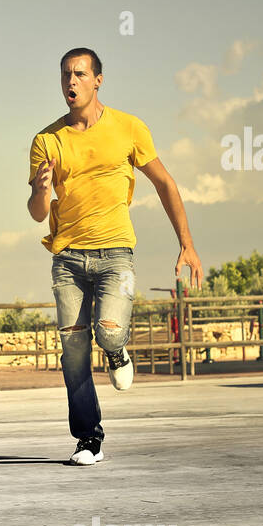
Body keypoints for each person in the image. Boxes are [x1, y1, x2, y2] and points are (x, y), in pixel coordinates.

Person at [28, 47, 203, 465]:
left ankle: (116, 349)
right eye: (66, 75)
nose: (71, 82)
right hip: (67, 257)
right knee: (72, 352)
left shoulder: (129, 128)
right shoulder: (47, 140)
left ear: (98, 80)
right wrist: (40, 188)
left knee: (106, 332)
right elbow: (38, 213)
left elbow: (165, 184)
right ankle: (89, 439)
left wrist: (187, 244)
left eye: (80, 74)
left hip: (115, 254)